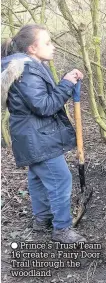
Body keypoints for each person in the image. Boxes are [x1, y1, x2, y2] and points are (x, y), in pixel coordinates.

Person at [1, 24, 86, 243]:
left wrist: (66, 82)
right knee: (60, 178)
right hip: (36, 136)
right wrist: (67, 83)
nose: (53, 47)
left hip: (32, 135)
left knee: (38, 177)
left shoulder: (28, 66)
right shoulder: (26, 70)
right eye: (47, 43)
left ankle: (42, 219)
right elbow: (44, 106)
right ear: (31, 48)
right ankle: (62, 229)